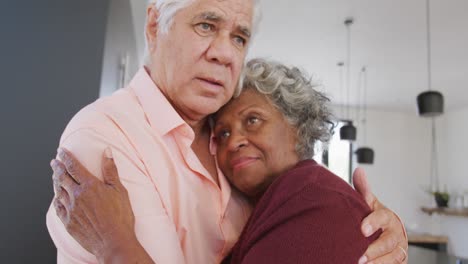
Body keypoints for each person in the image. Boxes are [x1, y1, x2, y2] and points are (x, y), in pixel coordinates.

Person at [47, 0, 408, 263]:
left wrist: (379, 228)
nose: (224, 54)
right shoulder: (106, 134)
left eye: (239, 37)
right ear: (155, 25)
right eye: (206, 25)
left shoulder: (233, 151)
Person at [215, 58, 382, 263]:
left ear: (297, 126)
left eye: (252, 120)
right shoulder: (281, 200)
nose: (232, 142)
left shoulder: (316, 200)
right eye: (222, 134)